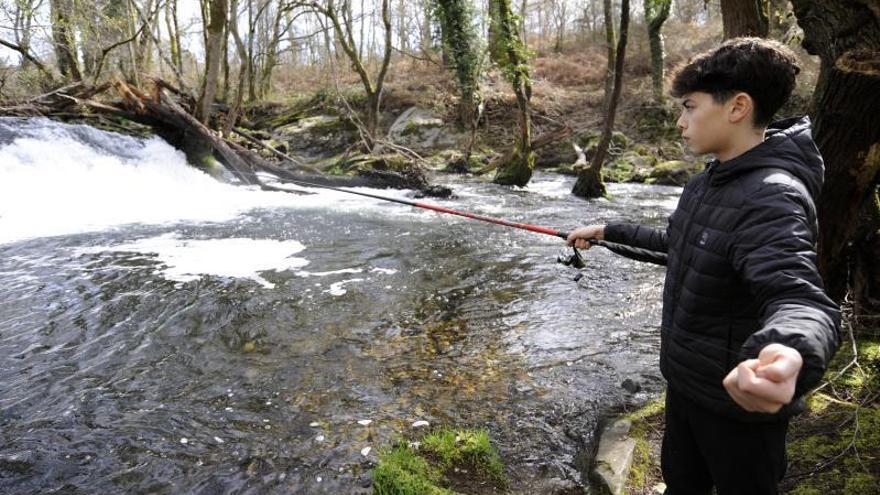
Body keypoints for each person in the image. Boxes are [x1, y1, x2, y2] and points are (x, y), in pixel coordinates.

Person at [566, 38, 841, 495]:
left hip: (738, 411)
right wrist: (609, 232)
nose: (680, 122)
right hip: (687, 385)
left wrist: (789, 352)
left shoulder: (772, 194)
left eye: (689, 107)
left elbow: (798, 296)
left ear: (737, 107)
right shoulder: (707, 182)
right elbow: (680, 245)